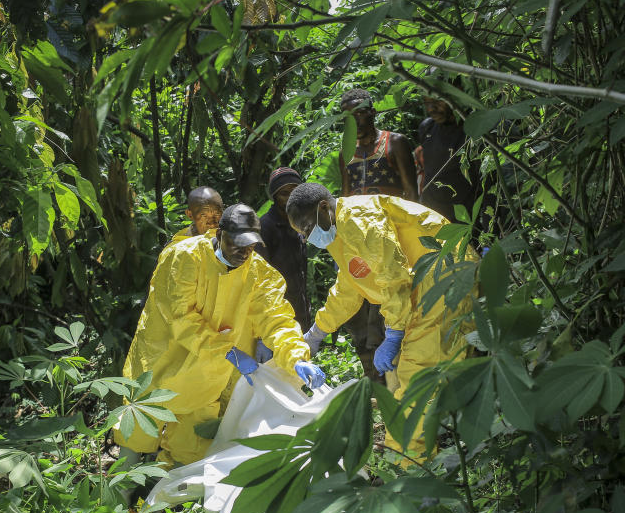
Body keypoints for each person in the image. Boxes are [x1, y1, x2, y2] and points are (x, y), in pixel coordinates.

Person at [115, 204, 327, 467]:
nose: (243, 251)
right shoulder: (184, 257)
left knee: (190, 451)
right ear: (218, 235)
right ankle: (118, 499)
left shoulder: (259, 273)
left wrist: (296, 358)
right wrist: (227, 350)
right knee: (135, 438)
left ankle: (163, 501)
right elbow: (179, 317)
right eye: (236, 243)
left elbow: (276, 318)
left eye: (250, 244)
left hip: (206, 378)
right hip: (162, 365)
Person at [286, 183, 476, 464]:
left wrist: (396, 332)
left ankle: (408, 465)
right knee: (421, 375)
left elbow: (393, 274)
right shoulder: (341, 230)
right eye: (303, 234)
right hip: (423, 290)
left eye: (307, 228)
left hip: (442, 282)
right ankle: (442, 442)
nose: (308, 236)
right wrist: (317, 332)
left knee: (417, 382)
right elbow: (350, 286)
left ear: (324, 208)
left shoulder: (361, 219)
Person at [338, 88, 419, 381]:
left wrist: (413, 238)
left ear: (372, 111)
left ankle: (403, 375)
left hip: (395, 238)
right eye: (348, 115)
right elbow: (345, 199)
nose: (355, 120)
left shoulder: (394, 143)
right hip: (361, 243)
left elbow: (411, 192)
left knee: (397, 301)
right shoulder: (345, 152)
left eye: (359, 111)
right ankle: (376, 382)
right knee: (366, 308)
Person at [255, 167, 310, 332]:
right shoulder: (265, 227)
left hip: (300, 303)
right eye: (284, 194)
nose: (290, 198)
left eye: (294, 192)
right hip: (277, 309)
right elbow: (259, 275)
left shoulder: (300, 222)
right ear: (274, 197)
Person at [416, 95, 481, 225]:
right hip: (431, 216)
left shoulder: (474, 129)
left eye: (437, 101)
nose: (431, 109)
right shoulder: (427, 127)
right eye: (427, 103)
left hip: (465, 218)